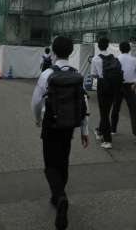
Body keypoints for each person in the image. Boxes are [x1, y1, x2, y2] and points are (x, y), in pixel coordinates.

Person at [32, 36, 89, 230]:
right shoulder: (77, 74)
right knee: (63, 160)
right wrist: (84, 130)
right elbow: (83, 103)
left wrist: (38, 119)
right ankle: (57, 196)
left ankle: (60, 196)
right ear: (71, 52)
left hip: (50, 124)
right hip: (69, 125)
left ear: (54, 52)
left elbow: (36, 102)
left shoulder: (47, 74)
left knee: (50, 164)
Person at [91, 37, 123, 149]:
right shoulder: (114, 58)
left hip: (102, 85)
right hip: (113, 86)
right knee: (106, 110)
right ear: (108, 45)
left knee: (104, 113)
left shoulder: (95, 59)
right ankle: (100, 131)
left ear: (98, 46)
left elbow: (93, 75)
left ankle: (107, 140)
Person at [110, 41, 136, 144]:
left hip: (118, 86)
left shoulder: (116, 59)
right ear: (129, 49)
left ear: (120, 49)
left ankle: (113, 129)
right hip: (130, 86)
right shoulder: (134, 60)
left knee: (116, 108)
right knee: (133, 110)